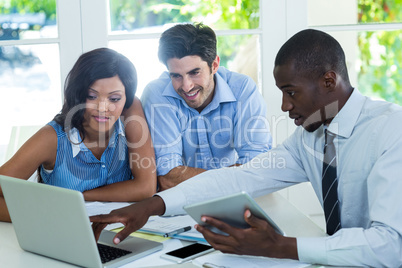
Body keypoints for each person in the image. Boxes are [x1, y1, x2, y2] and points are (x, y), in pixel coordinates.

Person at [90, 29, 402, 267]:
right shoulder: (311, 137)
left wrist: (281, 246)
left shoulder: (391, 131)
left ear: (329, 82)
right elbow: (238, 179)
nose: (284, 106)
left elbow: (390, 247)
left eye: (291, 92)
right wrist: (152, 205)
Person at [0, 48, 157, 222]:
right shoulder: (51, 138)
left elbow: (146, 188)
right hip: (64, 237)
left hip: (119, 235)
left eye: (114, 99)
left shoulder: (130, 110)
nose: (103, 108)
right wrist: (46, 214)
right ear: (77, 94)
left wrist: (80, 196)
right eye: (91, 96)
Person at [140, 23, 272, 191]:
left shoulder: (243, 90)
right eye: (176, 76)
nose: (186, 86)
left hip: (234, 197)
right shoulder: (157, 94)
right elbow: (168, 178)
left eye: (194, 73)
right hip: (181, 202)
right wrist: (235, 177)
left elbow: (257, 170)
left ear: (214, 65)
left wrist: (187, 176)